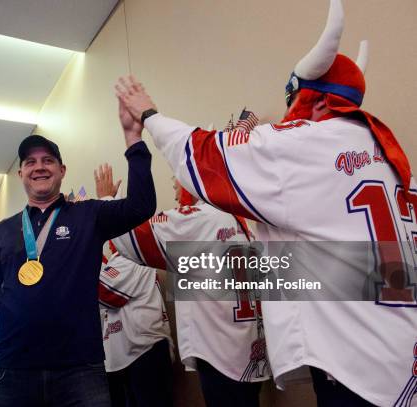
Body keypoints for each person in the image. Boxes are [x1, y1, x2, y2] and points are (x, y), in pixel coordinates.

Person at [114, 0, 417, 405]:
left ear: (319, 101)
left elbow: (205, 158)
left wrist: (148, 116)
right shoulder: (387, 155)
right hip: (399, 345)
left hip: (355, 362)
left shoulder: (310, 146)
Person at [0, 98, 156, 406]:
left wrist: (134, 140)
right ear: (21, 174)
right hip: (13, 371)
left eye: (48, 160)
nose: (39, 166)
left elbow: (141, 206)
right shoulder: (4, 231)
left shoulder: (88, 215)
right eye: (30, 162)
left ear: (62, 170)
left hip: (80, 370)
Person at [105, 170, 269, 406]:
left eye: (176, 181)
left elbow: (130, 236)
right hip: (246, 349)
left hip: (220, 351)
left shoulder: (201, 218)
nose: (174, 188)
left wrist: (106, 203)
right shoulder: (238, 220)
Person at [98, 246, 175, 407]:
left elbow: (108, 294)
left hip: (145, 352)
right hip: (124, 356)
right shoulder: (114, 261)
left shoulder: (131, 257)